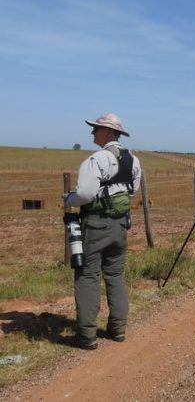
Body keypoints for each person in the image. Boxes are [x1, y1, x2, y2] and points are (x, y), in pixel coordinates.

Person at [65, 113, 141, 350]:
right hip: (120, 226)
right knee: (116, 276)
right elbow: (132, 191)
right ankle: (117, 330)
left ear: (108, 132)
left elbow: (86, 194)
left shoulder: (97, 159)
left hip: (95, 225)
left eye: (96, 128)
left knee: (88, 277)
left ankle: (87, 336)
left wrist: (70, 198)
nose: (92, 133)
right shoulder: (133, 160)